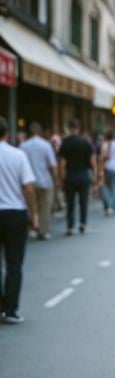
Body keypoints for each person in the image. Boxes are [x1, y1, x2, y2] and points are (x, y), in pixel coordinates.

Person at [0, 116, 37, 323]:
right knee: (14, 263)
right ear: (6, 133)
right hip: (14, 212)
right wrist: (34, 214)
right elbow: (28, 188)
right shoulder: (17, 155)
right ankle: (10, 309)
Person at [58, 118, 96, 235]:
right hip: (83, 174)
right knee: (83, 200)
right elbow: (92, 161)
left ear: (69, 128)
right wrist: (95, 175)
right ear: (78, 128)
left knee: (70, 201)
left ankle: (69, 226)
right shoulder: (85, 143)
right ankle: (82, 224)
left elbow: (62, 163)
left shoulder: (65, 142)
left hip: (70, 174)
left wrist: (61, 178)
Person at [21, 122, 57, 239]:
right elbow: (52, 165)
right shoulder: (46, 145)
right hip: (44, 180)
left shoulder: (23, 146)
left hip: (28, 182)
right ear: (40, 132)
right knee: (45, 207)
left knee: (31, 206)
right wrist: (55, 178)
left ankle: (33, 227)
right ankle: (43, 230)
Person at [100, 129, 115, 215]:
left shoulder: (104, 145)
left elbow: (102, 157)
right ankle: (112, 206)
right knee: (114, 188)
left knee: (107, 187)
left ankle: (108, 205)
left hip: (106, 168)